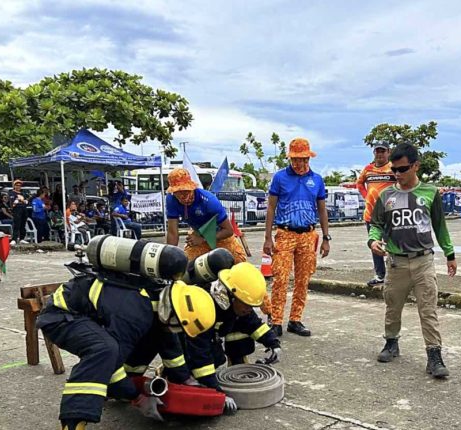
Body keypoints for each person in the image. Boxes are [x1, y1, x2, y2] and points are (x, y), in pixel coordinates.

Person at [36, 270, 216, 430]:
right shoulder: (135, 313)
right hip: (60, 316)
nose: (175, 330)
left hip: (82, 312)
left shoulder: (161, 302)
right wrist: (136, 396)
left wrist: (187, 380)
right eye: (177, 325)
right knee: (104, 350)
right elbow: (112, 365)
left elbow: (169, 345)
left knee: (149, 338)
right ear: (174, 312)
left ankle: (117, 389)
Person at [367, 143, 457, 378]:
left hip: (423, 261)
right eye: (395, 170)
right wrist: (373, 240)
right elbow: (376, 223)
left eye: (403, 169)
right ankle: (391, 342)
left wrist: (450, 254)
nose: (398, 174)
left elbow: (440, 225)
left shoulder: (430, 192)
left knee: (428, 309)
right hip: (396, 262)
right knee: (392, 306)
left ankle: (434, 356)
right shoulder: (386, 195)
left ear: (416, 166)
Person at [126, 261, 281, 391]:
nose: (249, 309)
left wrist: (273, 343)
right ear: (232, 296)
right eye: (247, 305)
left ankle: (233, 360)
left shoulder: (234, 301)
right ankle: (165, 373)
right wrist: (216, 390)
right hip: (182, 333)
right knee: (188, 368)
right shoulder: (205, 307)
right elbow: (200, 351)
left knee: (221, 352)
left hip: (200, 336)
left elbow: (252, 322)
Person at [263, 137, 330, 338]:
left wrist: (326, 238)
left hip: (308, 236)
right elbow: (271, 206)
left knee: (303, 279)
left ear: (309, 158)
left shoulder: (317, 179)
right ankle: (276, 321)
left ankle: (295, 319)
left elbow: (322, 209)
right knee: (280, 279)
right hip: (285, 234)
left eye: (303, 159)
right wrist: (268, 237)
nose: (299, 163)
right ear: (290, 159)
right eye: (295, 159)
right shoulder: (280, 178)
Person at [165, 167, 247, 263]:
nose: (182, 195)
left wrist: (203, 239)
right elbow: (172, 232)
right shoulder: (171, 199)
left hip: (220, 236)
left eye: (185, 190)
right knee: (187, 267)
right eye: (177, 192)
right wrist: (170, 255)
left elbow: (229, 231)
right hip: (199, 233)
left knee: (237, 263)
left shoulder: (209, 201)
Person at [356, 141, 395, 287]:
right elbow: (359, 184)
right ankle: (380, 275)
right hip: (371, 215)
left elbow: (402, 184)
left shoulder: (393, 168)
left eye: (382, 151)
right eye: (377, 151)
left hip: (389, 215)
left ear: (388, 152)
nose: (379, 154)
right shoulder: (367, 169)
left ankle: (394, 276)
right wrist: (366, 196)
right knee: (375, 246)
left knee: (393, 246)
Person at [8, 180, 29, 245]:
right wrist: (19, 200)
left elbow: (26, 202)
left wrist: (22, 200)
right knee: (17, 224)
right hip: (17, 210)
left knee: (23, 224)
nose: (18, 186)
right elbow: (13, 202)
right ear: (14, 186)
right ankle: (14, 239)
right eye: (17, 185)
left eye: (19, 185)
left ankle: (22, 238)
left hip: (24, 209)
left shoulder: (23, 193)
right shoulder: (12, 193)